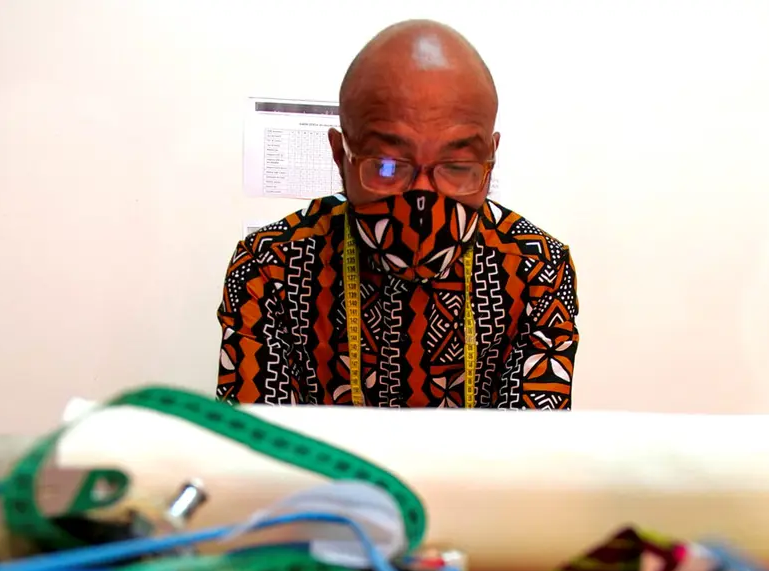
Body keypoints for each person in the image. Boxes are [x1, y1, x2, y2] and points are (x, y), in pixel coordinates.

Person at [217, 19, 579, 409]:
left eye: (457, 166)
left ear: (490, 158)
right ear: (340, 155)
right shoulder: (271, 267)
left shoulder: (537, 271)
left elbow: (530, 457)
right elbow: (252, 453)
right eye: (388, 165)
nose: (423, 199)